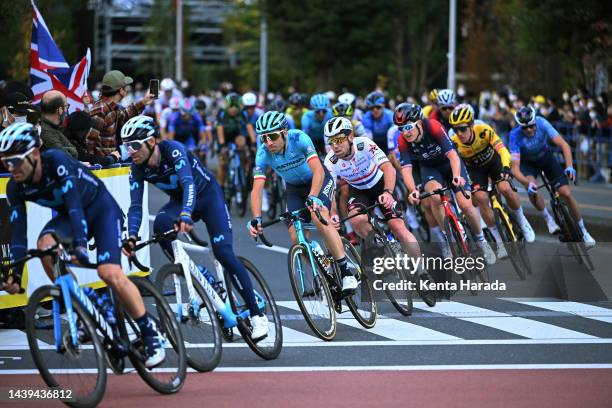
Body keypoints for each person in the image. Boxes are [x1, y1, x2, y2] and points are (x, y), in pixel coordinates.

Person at [0, 122, 166, 368]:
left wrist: (79, 245)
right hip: (69, 217)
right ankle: (81, 304)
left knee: (109, 272)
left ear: (34, 154)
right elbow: (18, 235)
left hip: (100, 210)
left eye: (14, 161)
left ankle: (150, 332)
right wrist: (14, 273)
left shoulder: (55, 161)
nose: (9, 168)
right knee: (45, 246)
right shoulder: (16, 186)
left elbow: (75, 205)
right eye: (5, 162)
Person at [121, 115, 269, 340]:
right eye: (125, 145)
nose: (130, 151)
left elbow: (188, 183)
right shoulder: (137, 168)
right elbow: (135, 207)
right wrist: (131, 237)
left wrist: (186, 214)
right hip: (180, 203)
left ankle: (258, 316)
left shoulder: (173, 151)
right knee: (160, 225)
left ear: (151, 142)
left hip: (208, 197)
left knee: (223, 252)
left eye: (134, 145)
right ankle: (201, 278)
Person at [248, 111, 358, 292]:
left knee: (318, 216)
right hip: (294, 190)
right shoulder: (263, 153)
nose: (268, 142)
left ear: (284, 132)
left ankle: (346, 272)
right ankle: (323, 270)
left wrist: (314, 196)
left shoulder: (299, 138)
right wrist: (256, 218)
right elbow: (257, 188)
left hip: (319, 180)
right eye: (263, 138)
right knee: (296, 238)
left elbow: (318, 170)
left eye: (273, 136)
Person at [322, 117, 432, 286]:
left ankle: (421, 272)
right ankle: (380, 245)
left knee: (398, 227)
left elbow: (388, 168)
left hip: (381, 184)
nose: (335, 146)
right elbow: (330, 190)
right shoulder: (330, 161)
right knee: (356, 219)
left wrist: (388, 192)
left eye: (338, 140)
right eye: (331, 141)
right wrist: (333, 214)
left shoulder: (364, 144)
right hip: (359, 190)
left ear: (350, 137)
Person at [394, 103, 496, 264]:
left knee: (466, 205)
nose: (405, 132)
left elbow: (453, 155)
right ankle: (449, 236)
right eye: (401, 128)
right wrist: (412, 189)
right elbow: (406, 169)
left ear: (419, 123)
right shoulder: (403, 140)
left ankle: (481, 240)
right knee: (434, 198)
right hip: (430, 169)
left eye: (408, 126)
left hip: (450, 164)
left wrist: (457, 176)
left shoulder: (433, 126)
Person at [448, 105, 536, 260]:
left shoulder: (484, 130)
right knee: (481, 199)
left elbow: (502, 150)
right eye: (456, 130)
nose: (459, 133)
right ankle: (499, 241)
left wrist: (507, 167)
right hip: (476, 170)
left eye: (462, 129)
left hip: (494, 163)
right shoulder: (454, 142)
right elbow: (455, 165)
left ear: (471, 125)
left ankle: (522, 220)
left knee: (505, 188)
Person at [509, 106, 596, 246]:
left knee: (566, 193)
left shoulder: (542, 123)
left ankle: (583, 231)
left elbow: (564, 145)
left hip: (546, 157)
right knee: (532, 188)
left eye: (531, 126)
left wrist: (569, 166)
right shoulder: (514, 135)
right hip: (528, 164)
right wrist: (527, 184)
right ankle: (548, 217)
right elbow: (515, 169)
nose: (529, 130)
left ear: (535, 122)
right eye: (525, 128)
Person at [89, 70, 155, 156]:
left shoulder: (111, 107)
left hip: (111, 162)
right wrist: (99, 162)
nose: (127, 90)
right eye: (125, 87)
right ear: (121, 90)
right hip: (102, 166)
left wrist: (145, 101)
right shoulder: (100, 110)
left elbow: (125, 115)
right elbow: (89, 141)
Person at [39, 90, 78, 158]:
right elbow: (68, 157)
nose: (66, 110)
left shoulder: (53, 127)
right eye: (66, 106)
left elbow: (74, 151)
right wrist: (71, 150)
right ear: (60, 110)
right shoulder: (46, 131)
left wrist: (70, 150)